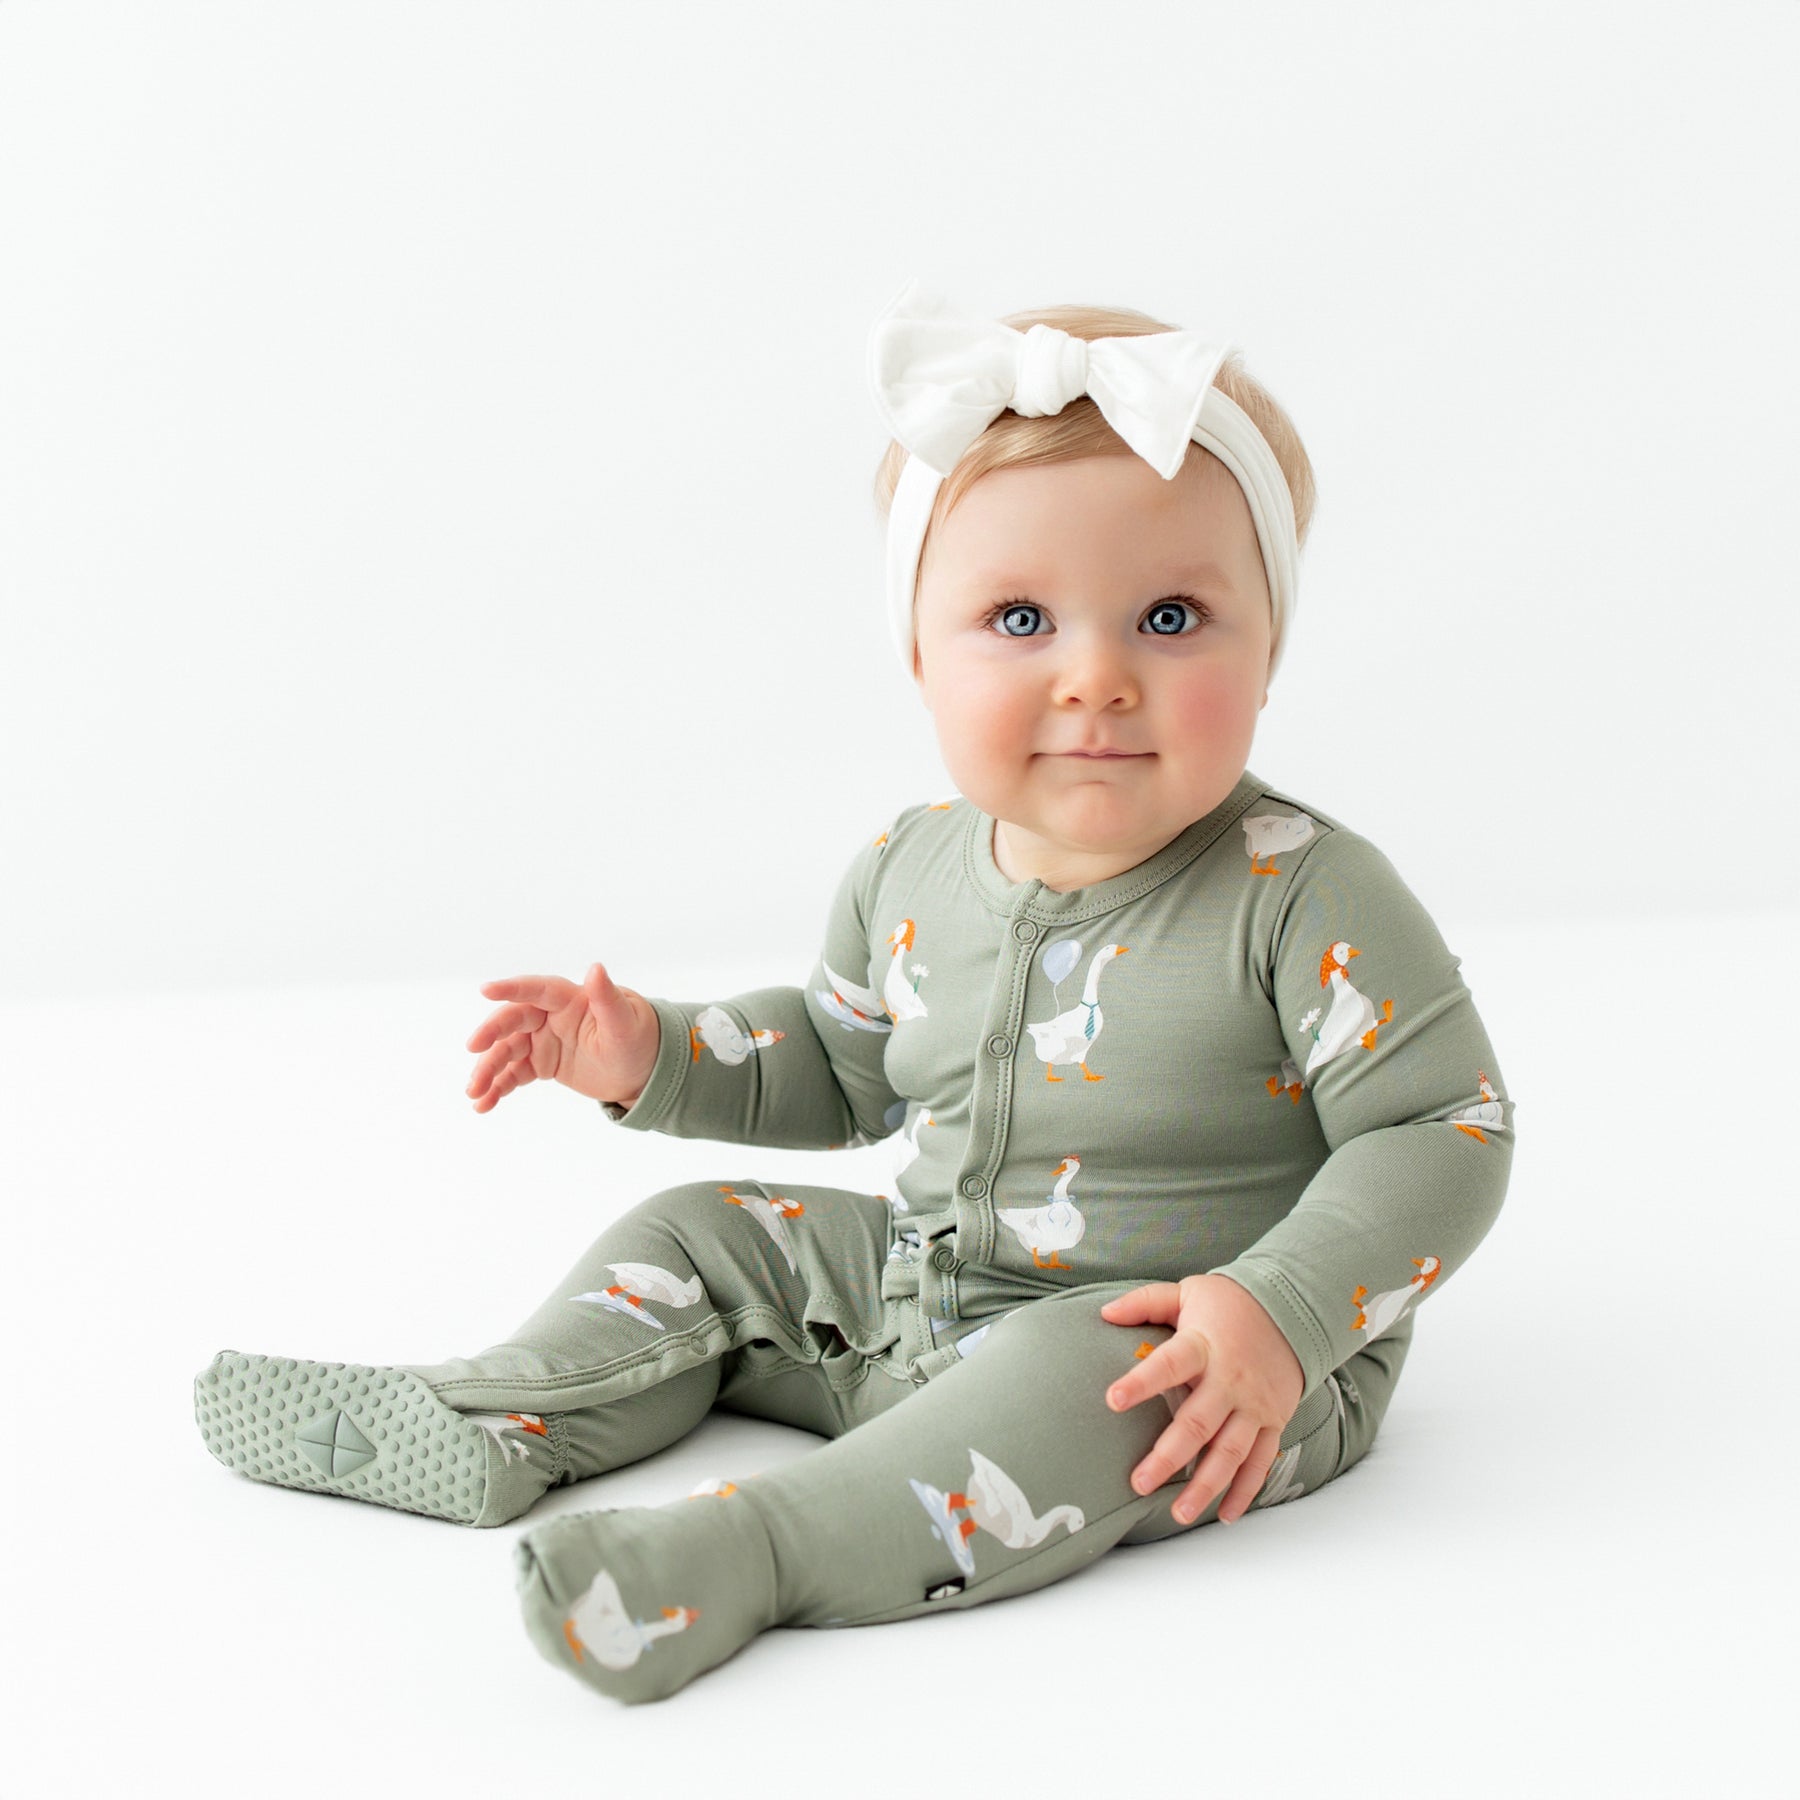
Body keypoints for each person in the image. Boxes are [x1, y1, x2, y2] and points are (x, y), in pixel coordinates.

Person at [193, 278, 1514, 1704]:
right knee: (701, 1233)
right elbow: (837, 1065)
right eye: (1019, 619)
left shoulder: (1304, 894)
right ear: (916, 650)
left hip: (1204, 1365)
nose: (1097, 679)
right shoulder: (910, 870)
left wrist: (1287, 1313)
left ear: (1271, 647)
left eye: (1173, 615)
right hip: (910, 1296)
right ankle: (504, 1415)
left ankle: (754, 1554)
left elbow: (1446, 1128)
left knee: (1087, 1367)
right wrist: (658, 1056)